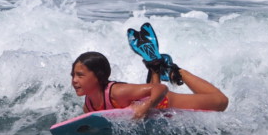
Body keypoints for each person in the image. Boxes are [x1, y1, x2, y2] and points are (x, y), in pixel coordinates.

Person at [71, 51, 229, 120]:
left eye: (80, 75)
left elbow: (160, 89)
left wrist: (146, 107)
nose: (74, 80)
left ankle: (175, 71)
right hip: (154, 108)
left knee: (221, 102)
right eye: (73, 75)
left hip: (165, 101)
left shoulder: (117, 92)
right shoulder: (89, 107)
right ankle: (155, 69)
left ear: (98, 77)